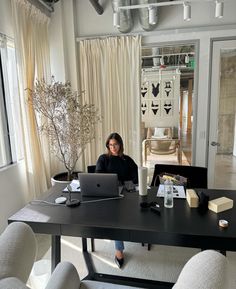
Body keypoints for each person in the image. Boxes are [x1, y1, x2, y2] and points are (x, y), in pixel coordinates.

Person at [95, 132, 138, 268]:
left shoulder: (127, 160)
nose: (113, 147)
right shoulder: (103, 159)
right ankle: (119, 250)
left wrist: (127, 183)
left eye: (116, 144)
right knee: (117, 217)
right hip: (108, 196)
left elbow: (136, 176)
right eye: (110, 145)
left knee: (123, 214)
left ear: (120, 145)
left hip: (126, 195)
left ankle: (123, 244)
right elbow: (98, 178)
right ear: (108, 145)